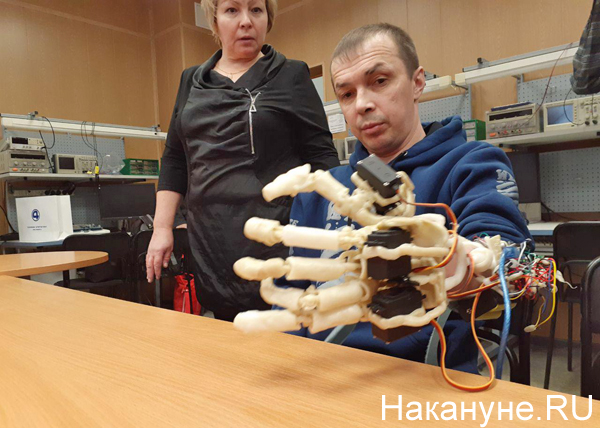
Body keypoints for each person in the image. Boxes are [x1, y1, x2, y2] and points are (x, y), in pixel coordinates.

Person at [279, 23, 531, 371]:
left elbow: (500, 251)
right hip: (317, 373)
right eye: (347, 94)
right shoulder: (320, 189)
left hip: (421, 379)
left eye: (380, 81)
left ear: (417, 82)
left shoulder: (472, 164)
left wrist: (472, 261)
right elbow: (286, 298)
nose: (362, 104)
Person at [147, 0, 340, 321]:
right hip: (211, 241)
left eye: (256, 10)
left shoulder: (291, 74)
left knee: (283, 328)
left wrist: (331, 230)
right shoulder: (191, 81)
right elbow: (175, 158)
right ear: (215, 20)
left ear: (268, 18)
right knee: (224, 328)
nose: (246, 21)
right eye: (232, 10)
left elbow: (322, 156)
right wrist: (162, 227)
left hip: (275, 238)